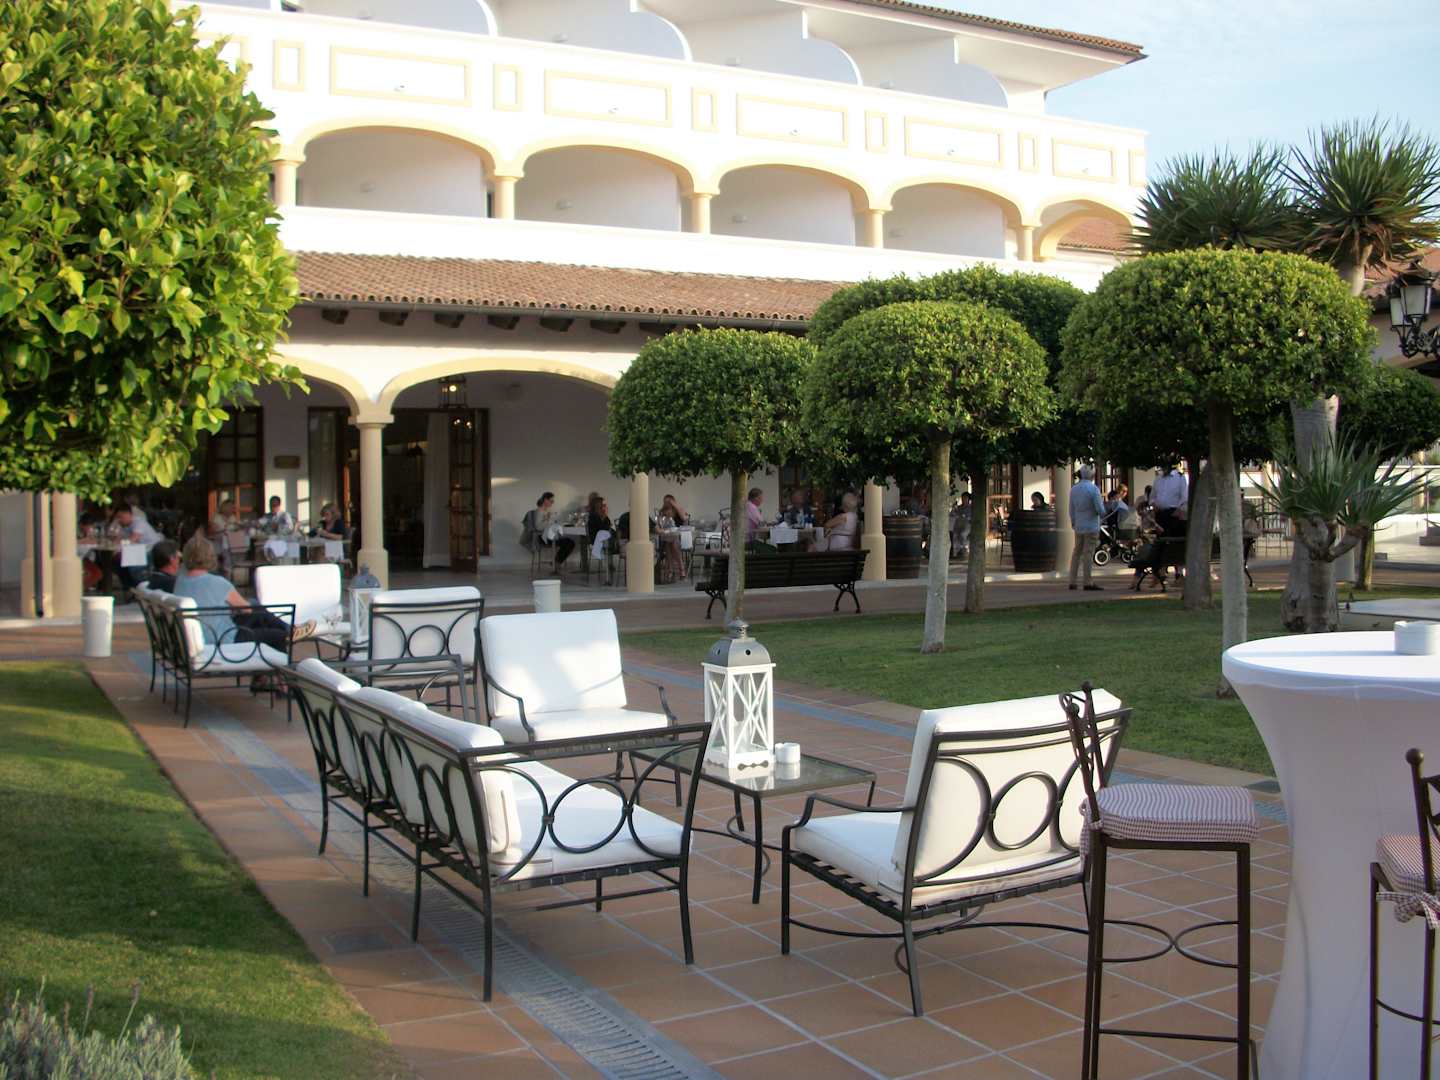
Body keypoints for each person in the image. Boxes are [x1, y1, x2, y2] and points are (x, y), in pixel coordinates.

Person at [174, 535, 315, 650]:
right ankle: (289, 633)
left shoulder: (180, 580)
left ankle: (290, 631)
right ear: (210, 556)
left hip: (202, 637)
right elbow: (246, 609)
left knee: (256, 609)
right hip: (225, 638)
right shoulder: (217, 583)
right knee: (275, 632)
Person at [1068, 465, 1105, 591]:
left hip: (1079, 525)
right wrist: (1103, 513)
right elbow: (1099, 509)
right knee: (1088, 553)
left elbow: (1071, 508)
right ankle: (1087, 581)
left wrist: (1074, 522)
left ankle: (1072, 580)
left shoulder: (1074, 489)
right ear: (1092, 475)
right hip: (1091, 525)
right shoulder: (1093, 489)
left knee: (1076, 553)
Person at [112, 502, 163, 588]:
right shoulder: (124, 525)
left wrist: (119, 545)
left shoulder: (138, 522)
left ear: (128, 514)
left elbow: (132, 540)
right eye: (118, 517)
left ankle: (137, 586)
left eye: (121, 517)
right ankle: (128, 587)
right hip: (138, 551)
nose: (119, 520)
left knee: (125, 561)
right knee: (117, 560)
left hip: (152, 550)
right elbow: (118, 538)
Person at [521, 492, 574, 568]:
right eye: (551, 501)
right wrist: (549, 520)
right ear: (546, 500)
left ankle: (556, 562)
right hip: (542, 538)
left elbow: (549, 523)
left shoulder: (546, 511)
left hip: (548, 536)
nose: (552, 503)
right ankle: (556, 562)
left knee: (569, 542)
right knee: (569, 543)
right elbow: (538, 527)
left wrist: (552, 521)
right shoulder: (539, 511)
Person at [1152, 464, 1188, 536]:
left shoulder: (1180, 477)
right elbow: (1152, 496)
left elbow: (1184, 497)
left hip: (1173, 514)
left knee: (1173, 537)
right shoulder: (1158, 478)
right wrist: (1153, 504)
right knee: (1161, 538)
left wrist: (1179, 510)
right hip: (1159, 514)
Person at [659, 494, 688, 578]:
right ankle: (677, 569)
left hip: (679, 535)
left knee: (673, 543)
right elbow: (660, 524)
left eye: (669, 501)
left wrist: (675, 505)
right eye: (665, 501)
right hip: (667, 535)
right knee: (669, 543)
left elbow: (684, 518)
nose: (667, 503)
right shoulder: (663, 511)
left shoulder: (678, 510)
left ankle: (675, 569)